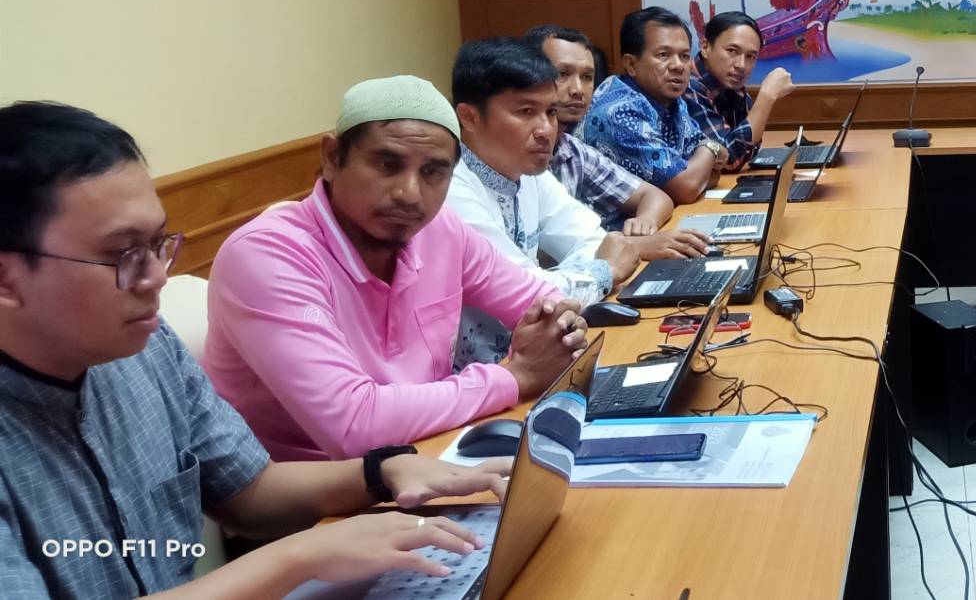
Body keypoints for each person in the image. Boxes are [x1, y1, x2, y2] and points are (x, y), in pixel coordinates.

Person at [0, 101, 511, 598]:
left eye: (157, 245)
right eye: (122, 254)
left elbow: (248, 491)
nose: (157, 277)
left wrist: (380, 472)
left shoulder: (147, 348)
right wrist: (299, 556)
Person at [204, 76, 589, 461]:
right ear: (332, 157)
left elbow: (543, 301)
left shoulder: (439, 229)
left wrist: (561, 327)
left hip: (427, 456)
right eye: (388, 165)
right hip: (318, 490)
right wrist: (515, 377)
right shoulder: (267, 255)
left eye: (432, 172)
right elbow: (353, 426)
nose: (409, 194)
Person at [448, 38, 707, 369]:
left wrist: (575, 274)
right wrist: (603, 271)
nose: (546, 130)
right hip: (481, 378)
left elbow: (599, 242)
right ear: (469, 117)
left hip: (540, 358)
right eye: (526, 112)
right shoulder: (450, 189)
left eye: (550, 112)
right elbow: (532, 301)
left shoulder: (527, 173)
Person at [523, 24, 676, 233]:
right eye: (562, 74)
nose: (578, 90)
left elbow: (655, 197)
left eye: (587, 77)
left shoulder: (572, 150)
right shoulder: (517, 157)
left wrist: (644, 223)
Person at [584, 7, 721, 203]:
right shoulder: (619, 112)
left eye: (684, 56)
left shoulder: (671, 100)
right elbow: (688, 188)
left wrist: (700, 166)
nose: (678, 66)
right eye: (664, 55)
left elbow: (711, 173)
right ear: (631, 64)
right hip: (617, 222)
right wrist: (711, 147)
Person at [682, 11, 795, 172]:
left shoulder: (730, 85)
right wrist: (767, 96)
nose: (741, 65)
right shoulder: (687, 84)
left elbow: (749, 151)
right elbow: (725, 161)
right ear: (705, 47)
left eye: (750, 57)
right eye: (732, 51)